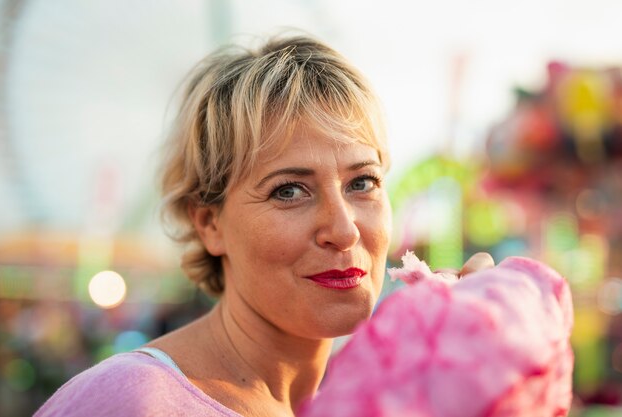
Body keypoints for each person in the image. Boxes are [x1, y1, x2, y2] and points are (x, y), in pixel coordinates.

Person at [35, 33, 493, 417]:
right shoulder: (131, 400)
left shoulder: (371, 400)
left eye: (362, 182)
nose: (345, 229)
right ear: (209, 223)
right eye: (289, 190)